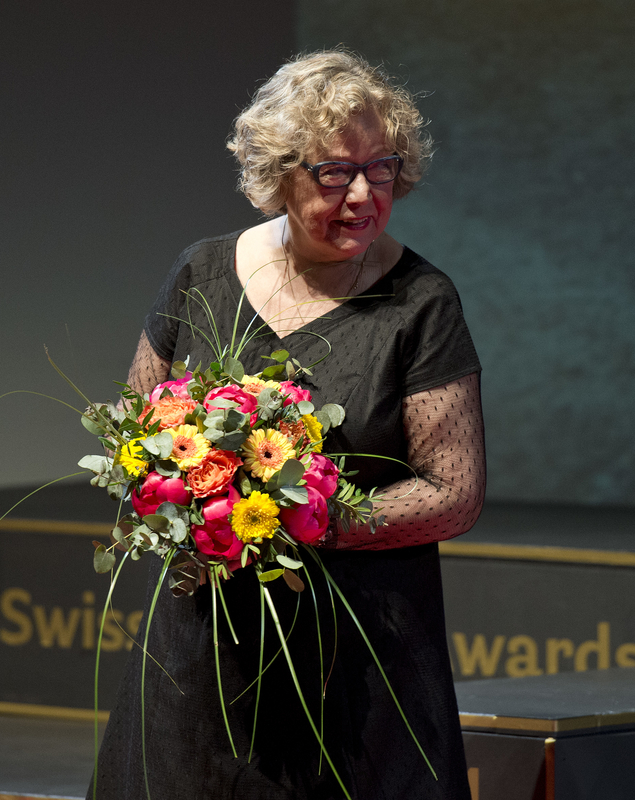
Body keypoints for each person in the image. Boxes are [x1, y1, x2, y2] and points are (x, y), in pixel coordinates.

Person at [91, 49, 485, 800]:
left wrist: (301, 521)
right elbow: (134, 439)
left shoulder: (422, 303)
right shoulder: (202, 273)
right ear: (278, 174)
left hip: (356, 670)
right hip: (202, 657)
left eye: (382, 168)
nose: (364, 194)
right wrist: (189, 503)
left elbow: (453, 493)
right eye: (335, 173)